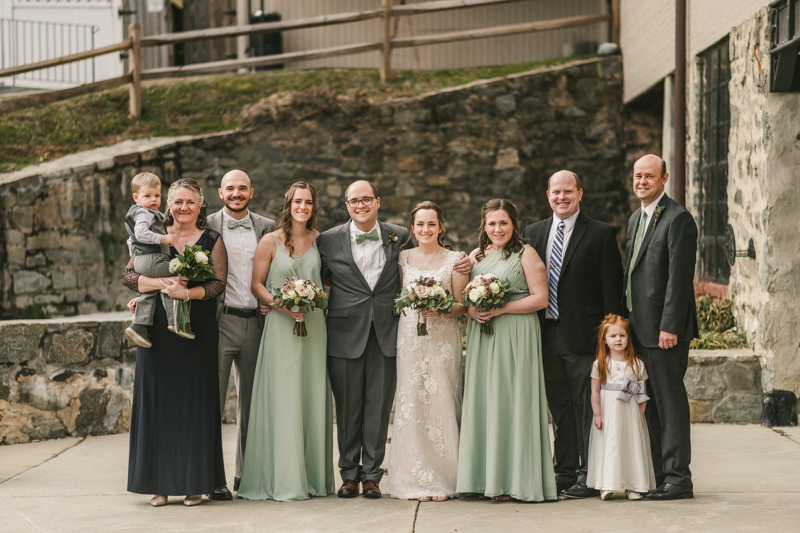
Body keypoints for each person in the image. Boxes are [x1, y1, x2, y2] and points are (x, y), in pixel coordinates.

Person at [123, 178, 228, 507]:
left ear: (200, 205)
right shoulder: (153, 233)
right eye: (177, 202)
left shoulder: (212, 238)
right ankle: (159, 484)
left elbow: (217, 284)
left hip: (197, 331)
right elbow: (129, 276)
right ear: (168, 204)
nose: (183, 207)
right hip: (156, 331)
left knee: (194, 406)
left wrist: (187, 291)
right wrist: (157, 283)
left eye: (190, 202)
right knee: (159, 407)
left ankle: (195, 483)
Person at [521, 170, 623, 498]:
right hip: (544, 332)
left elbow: (612, 293)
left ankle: (589, 473)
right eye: (556, 192)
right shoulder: (532, 233)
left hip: (585, 334)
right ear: (547, 194)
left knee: (585, 405)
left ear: (580, 193)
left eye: (568, 192)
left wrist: (610, 340)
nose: (562, 198)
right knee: (558, 405)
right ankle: (563, 470)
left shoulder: (601, 234)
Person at [236, 182, 334, 501]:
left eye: (307, 202)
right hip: (280, 326)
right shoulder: (270, 240)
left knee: (310, 397)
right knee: (283, 397)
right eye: (297, 201)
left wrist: (312, 300)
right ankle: (282, 478)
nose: (302, 207)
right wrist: (283, 305)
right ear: (288, 205)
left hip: (314, 327)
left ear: (313, 207)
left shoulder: (322, 241)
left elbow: (330, 281)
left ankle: (313, 479)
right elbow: (257, 285)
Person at [456, 199, 557, 502]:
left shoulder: (526, 254)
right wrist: (471, 312)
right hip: (483, 336)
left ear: (514, 224)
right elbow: (463, 297)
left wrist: (501, 309)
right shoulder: (475, 256)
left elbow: (541, 299)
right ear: (483, 226)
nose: (497, 229)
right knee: (485, 402)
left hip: (516, 334)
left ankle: (514, 481)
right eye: (491, 223)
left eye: (503, 223)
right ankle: (482, 479)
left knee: (513, 402)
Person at [317, 180, 408, 499]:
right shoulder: (327, 240)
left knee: (379, 407)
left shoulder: (400, 235)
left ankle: (372, 475)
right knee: (347, 408)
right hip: (343, 333)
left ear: (378, 201)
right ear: (346, 205)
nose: (361, 205)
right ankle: (348, 474)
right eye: (354, 201)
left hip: (387, 331)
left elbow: (426, 258)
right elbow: (315, 277)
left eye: (366, 199)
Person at [624, 154, 698, 501]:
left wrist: (670, 326)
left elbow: (680, 279)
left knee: (669, 403)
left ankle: (678, 477)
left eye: (649, 176)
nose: (642, 181)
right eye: (638, 176)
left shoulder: (678, 218)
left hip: (664, 331)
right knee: (648, 404)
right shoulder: (636, 218)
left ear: (664, 178)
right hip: (639, 329)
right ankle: (657, 474)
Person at [386, 201, 468, 502]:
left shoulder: (455, 259)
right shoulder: (403, 258)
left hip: (442, 340)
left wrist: (441, 309)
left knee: (440, 400)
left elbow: (462, 306)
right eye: (420, 224)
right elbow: (396, 299)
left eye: (431, 224)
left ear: (440, 226)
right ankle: (412, 477)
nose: (425, 229)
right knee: (412, 403)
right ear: (413, 227)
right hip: (409, 339)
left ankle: (444, 478)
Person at [206, 169, 275, 499]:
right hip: (219, 323)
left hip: (257, 325)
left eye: (242, 188)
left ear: (252, 192)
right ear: (221, 192)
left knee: (252, 405)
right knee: (212, 404)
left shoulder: (267, 226)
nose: (236, 193)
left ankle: (245, 477)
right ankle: (212, 476)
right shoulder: (205, 225)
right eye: (230, 188)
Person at [586, 315, 656, 500]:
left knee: (630, 445)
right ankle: (607, 484)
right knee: (611, 445)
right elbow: (594, 391)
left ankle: (633, 485)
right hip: (609, 412)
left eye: (622, 335)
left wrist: (640, 414)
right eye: (613, 336)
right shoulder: (600, 364)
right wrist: (597, 414)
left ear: (628, 338)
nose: (618, 339)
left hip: (629, 412)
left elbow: (642, 392)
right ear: (605, 340)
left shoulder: (637, 364)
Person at [123, 172, 184, 348]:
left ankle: (139, 326)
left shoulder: (143, 212)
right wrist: (163, 239)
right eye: (147, 196)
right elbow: (141, 234)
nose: (153, 200)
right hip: (150, 257)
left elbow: (131, 239)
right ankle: (176, 320)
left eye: (157, 195)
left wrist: (136, 259)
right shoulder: (145, 213)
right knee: (174, 276)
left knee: (149, 293)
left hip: (141, 259)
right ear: (136, 197)